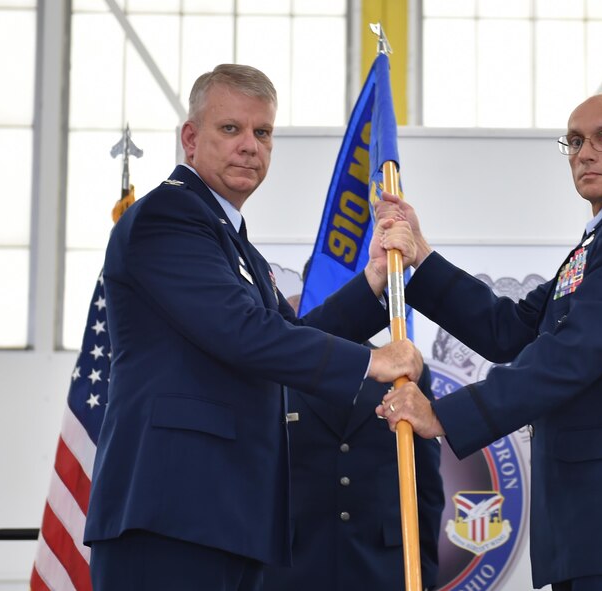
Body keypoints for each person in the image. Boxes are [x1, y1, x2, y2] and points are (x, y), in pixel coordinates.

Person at [83, 64, 422, 591]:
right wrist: (373, 361)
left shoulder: (230, 236)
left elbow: (293, 331)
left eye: (262, 132)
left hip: (226, 515)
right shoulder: (168, 217)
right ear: (190, 139)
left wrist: (375, 280)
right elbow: (242, 332)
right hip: (170, 510)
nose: (250, 146)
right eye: (230, 129)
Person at [375, 93, 602, 591]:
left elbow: (575, 352)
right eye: (575, 141)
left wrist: (445, 414)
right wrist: (421, 257)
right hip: (592, 513)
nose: (585, 153)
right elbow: (509, 329)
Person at [265, 269, 444, 590]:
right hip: (294, 566)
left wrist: (426, 569)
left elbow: (426, 485)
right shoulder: (279, 370)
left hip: (383, 568)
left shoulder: (403, 377)